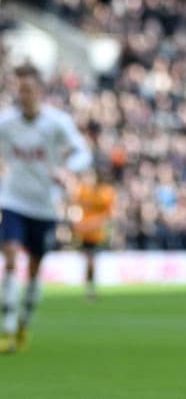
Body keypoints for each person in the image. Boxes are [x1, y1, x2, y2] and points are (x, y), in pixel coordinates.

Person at [0, 63, 92, 353]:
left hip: (44, 206)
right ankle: (7, 327)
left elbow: (83, 152)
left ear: (39, 92)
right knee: (10, 256)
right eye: (20, 89)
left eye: (29, 89)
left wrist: (67, 169)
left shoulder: (57, 122)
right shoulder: (6, 122)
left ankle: (24, 323)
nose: (24, 95)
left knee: (34, 269)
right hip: (14, 200)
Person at [70, 165, 116, 300]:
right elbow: (74, 208)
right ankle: (89, 288)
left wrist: (93, 223)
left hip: (98, 233)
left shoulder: (105, 192)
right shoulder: (80, 191)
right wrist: (77, 223)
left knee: (91, 261)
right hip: (83, 233)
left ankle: (90, 288)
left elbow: (109, 214)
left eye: (90, 176)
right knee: (89, 260)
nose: (88, 179)